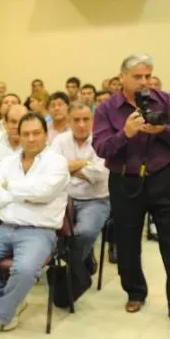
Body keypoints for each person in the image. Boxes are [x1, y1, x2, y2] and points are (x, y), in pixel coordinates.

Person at [93, 53, 170, 318]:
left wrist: (161, 131)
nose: (144, 81)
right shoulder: (106, 109)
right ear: (122, 77)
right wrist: (125, 133)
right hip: (126, 180)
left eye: (148, 76)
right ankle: (135, 293)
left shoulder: (164, 100)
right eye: (138, 77)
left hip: (165, 178)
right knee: (127, 241)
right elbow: (101, 148)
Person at [0, 112, 70, 337]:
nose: (31, 139)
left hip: (39, 231)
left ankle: (2, 315)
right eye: (26, 134)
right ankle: (12, 302)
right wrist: (24, 191)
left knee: (25, 269)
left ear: (45, 134)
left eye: (36, 133)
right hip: (4, 227)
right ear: (18, 136)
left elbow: (44, 192)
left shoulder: (57, 162)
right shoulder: (8, 161)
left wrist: (9, 186)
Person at [49, 102, 110, 300]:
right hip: (63, 198)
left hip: (96, 200)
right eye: (76, 120)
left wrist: (69, 168)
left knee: (85, 233)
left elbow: (100, 174)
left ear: (93, 120)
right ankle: (81, 265)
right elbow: (53, 169)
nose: (81, 124)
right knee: (48, 231)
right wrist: (84, 164)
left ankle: (73, 269)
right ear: (68, 121)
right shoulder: (60, 140)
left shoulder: (102, 139)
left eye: (86, 119)